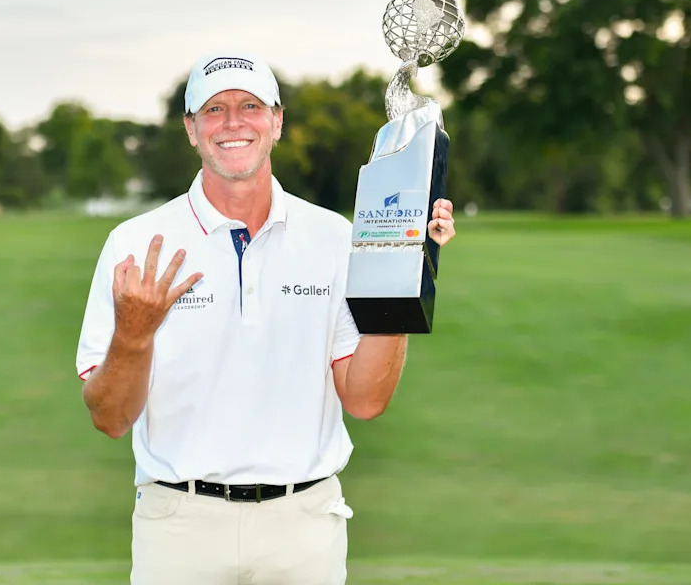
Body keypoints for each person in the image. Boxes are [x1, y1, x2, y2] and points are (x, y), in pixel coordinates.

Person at [76, 52, 457, 584]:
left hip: (303, 527)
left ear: (277, 121)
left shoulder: (334, 239)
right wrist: (134, 336)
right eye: (214, 109)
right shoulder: (136, 244)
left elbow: (366, 399)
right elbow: (110, 418)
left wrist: (403, 269)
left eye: (250, 105)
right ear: (191, 128)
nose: (233, 122)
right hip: (179, 528)